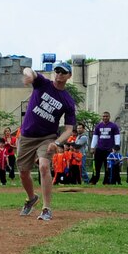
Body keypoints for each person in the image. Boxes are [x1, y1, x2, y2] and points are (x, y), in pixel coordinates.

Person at [17, 62, 76, 221]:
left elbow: (69, 129)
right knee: (23, 172)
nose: (59, 74)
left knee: (44, 166)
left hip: (47, 137)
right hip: (27, 136)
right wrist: (28, 74)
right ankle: (31, 198)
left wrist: (57, 143)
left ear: (69, 76)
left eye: (63, 72)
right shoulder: (43, 83)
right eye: (57, 71)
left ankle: (46, 208)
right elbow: (29, 70)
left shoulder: (68, 101)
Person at [89, 111, 121, 185]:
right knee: (96, 166)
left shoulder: (114, 126)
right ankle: (94, 180)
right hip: (99, 149)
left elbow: (117, 136)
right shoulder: (98, 126)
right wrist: (92, 147)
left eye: (106, 116)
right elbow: (95, 137)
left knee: (108, 167)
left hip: (109, 150)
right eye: (103, 116)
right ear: (102, 117)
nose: (105, 118)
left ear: (109, 117)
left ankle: (106, 181)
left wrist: (116, 147)